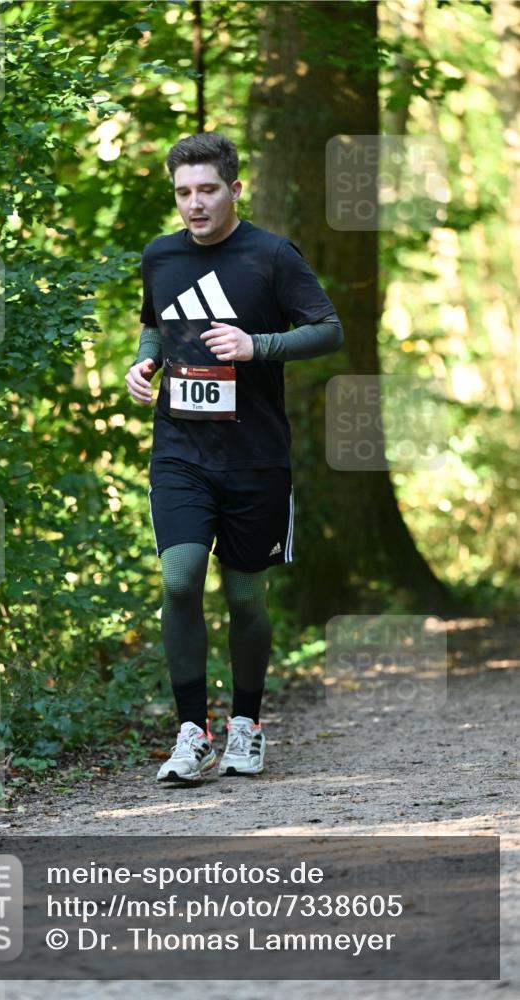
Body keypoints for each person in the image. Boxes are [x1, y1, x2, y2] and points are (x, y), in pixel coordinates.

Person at [125, 132, 343, 783]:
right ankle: (192, 731)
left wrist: (258, 347)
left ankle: (245, 723)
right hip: (181, 452)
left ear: (234, 189)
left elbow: (328, 330)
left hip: (255, 458)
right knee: (179, 578)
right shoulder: (160, 255)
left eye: (207, 191)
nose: (194, 204)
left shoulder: (271, 255)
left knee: (246, 599)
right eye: (183, 193)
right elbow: (153, 322)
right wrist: (142, 363)